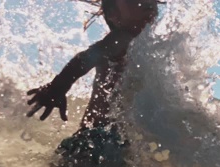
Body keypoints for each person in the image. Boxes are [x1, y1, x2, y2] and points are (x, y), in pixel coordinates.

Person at [26, 0, 159, 129]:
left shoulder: (155, 48)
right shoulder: (120, 39)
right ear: (114, 15)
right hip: (97, 135)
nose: (146, 1)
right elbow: (84, 59)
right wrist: (57, 89)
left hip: (121, 136)